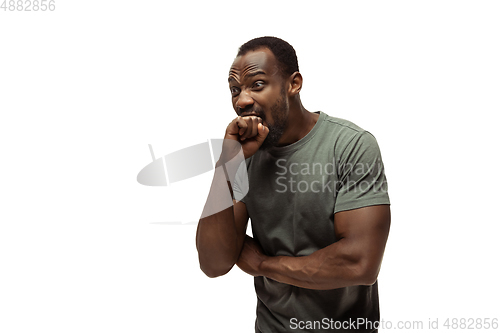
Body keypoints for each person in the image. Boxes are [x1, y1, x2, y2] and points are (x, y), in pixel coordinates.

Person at [196, 36, 391, 333]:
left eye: (257, 85)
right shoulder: (244, 157)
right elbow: (214, 263)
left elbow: (359, 264)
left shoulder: (351, 145)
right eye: (235, 90)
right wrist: (226, 162)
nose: (241, 100)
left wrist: (263, 265)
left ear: (293, 84)